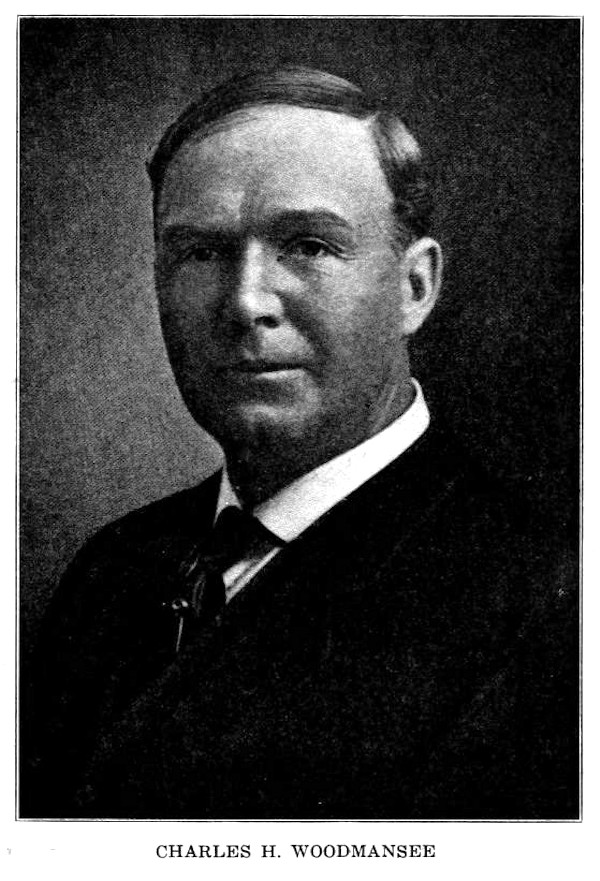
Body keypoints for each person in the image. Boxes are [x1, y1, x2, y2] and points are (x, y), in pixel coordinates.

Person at [20, 66, 578, 820]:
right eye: (201, 252)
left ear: (414, 288)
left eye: (309, 245)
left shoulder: (546, 605)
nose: (246, 301)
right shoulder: (111, 570)